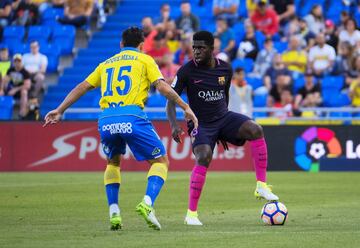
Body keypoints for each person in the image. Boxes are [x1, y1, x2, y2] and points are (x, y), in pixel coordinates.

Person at [43, 27, 198, 231]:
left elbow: (83, 86)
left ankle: (114, 212)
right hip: (131, 115)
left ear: (121, 44)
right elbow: (161, 87)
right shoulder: (145, 59)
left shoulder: (106, 64)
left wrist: (60, 109)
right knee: (161, 161)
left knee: (113, 162)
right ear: (142, 46)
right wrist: (185, 107)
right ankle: (148, 204)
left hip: (106, 119)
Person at [166, 31, 279, 226]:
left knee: (256, 130)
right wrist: (175, 125)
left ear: (212, 49)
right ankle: (191, 214)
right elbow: (170, 101)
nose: (196, 51)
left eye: (201, 48)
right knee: (203, 157)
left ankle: (261, 185)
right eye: (194, 47)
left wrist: (223, 130)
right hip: (200, 123)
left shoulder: (225, 69)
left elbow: (224, 97)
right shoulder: (186, 71)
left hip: (223, 117)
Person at [1, 54, 31, 118]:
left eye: (19, 61)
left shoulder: (25, 72)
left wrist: (15, 89)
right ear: (13, 62)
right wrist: (1, 89)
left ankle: (22, 112)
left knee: (24, 92)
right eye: (15, 61)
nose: (17, 63)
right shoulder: (10, 70)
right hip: (10, 89)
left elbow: (27, 85)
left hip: (19, 91)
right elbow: (4, 80)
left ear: (21, 62)